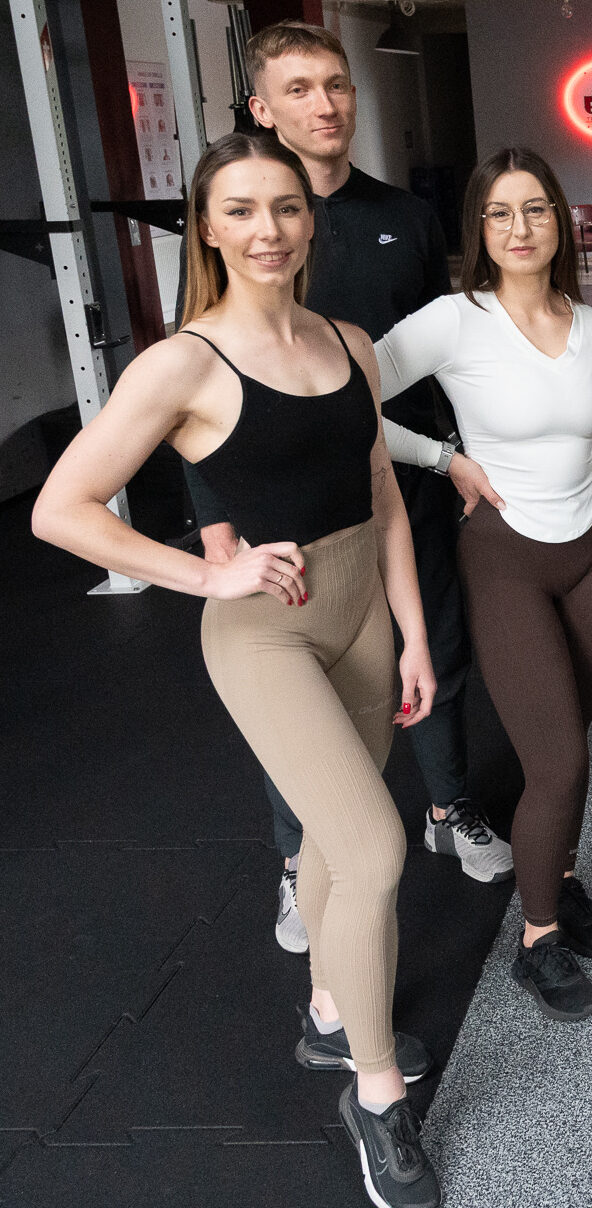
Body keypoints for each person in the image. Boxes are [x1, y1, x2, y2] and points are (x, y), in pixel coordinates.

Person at [34, 133, 444, 1208]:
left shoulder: (349, 342)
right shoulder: (183, 363)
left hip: (362, 615)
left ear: (312, 220)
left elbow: (384, 499)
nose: (269, 230)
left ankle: (329, 1012)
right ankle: (376, 1096)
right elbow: (60, 509)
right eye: (242, 210)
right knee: (376, 847)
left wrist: (413, 633)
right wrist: (204, 575)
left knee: (334, 838)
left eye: (287, 207)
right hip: (266, 633)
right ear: (207, 228)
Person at [186, 22, 511, 958]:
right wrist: (216, 523)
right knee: (300, 694)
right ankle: (302, 859)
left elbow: (434, 353)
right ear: (262, 108)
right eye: (299, 89)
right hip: (284, 503)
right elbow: (197, 375)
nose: (325, 105)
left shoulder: (406, 215)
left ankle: (448, 809)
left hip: (404, 478)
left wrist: (455, 454)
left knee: (435, 647)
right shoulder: (243, 223)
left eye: (337, 85)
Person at [377, 148, 592, 1021]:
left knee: (571, 742)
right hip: (507, 558)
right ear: (479, 228)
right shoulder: (453, 321)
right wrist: (443, 457)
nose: (520, 227)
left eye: (535, 208)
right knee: (559, 757)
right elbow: (343, 399)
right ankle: (538, 942)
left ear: (559, 220)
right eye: (499, 212)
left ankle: (558, 877)